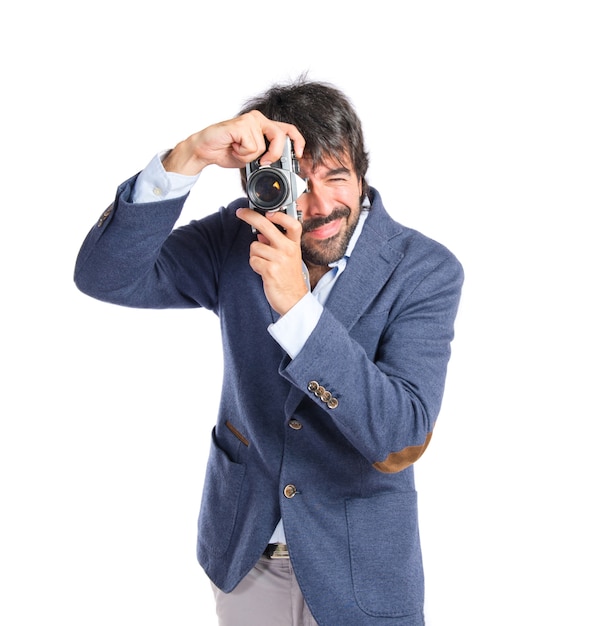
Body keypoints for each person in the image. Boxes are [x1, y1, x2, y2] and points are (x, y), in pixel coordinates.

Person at [74, 76, 464, 626]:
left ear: (363, 173)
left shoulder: (425, 270)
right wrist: (185, 158)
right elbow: (104, 277)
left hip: (360, 568)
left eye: (337, 176)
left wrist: (299, 312)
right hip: (246, 554)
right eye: (298, 182)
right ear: (261, 181)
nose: (322, 203)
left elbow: (401, 435)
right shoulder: (238, 239)